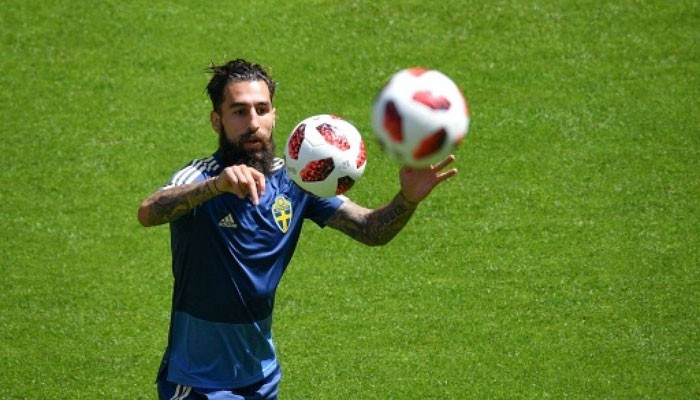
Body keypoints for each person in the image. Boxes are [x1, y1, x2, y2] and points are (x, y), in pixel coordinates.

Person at [137, 58, 457, 400]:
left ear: (274, 115)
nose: (253, 123)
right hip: (198, 380)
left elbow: (370, 230)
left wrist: (407, 199)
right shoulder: (201, 176)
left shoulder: (297, 180)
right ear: (217, 120)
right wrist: (216, 186)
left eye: (262, 110)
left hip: (260, 377)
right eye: (239, 112)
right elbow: (148, 211)